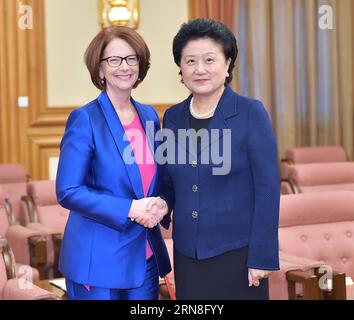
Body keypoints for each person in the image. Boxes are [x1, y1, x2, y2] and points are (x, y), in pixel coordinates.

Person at [157, 18, 280, 300]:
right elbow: (169, 182)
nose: (199, 69)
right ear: (181, 68)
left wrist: (261, 256)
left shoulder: (251, 113)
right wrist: (161, 203)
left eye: (209, 59)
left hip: (239, 255)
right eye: (190, 61)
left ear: (227, 64)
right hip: (188, 255)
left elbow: (267, 190)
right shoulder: (173, 117)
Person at [56, 26, 170, 300]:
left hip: (144, 258)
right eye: (114, 60)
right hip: (98, 263)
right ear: (99, 70)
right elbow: (68, 190)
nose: (125, 67)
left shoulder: (149, 116)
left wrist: (161, 203)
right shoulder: (85, 119)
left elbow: (160, 177)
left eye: (132, 59)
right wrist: (130, 208)